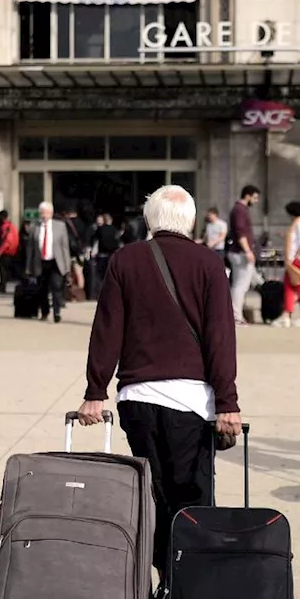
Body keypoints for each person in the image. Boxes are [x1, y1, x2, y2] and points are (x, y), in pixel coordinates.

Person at [76, 184, 242, 575]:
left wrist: (95, 391)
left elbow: (107, 330)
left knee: (152, 498)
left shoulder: (125, 260)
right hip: (191, 402)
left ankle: (154, 592)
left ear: (149, 219)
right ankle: (188, 596)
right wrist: (228, 401)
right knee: (193, 501)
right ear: (191, 220)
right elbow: (221, 336)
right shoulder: (207, 263)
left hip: (138, 399)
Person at [25, 201, 72, 323]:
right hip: (40, 262)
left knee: (56, 286)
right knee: (42, 288)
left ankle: (57, 312)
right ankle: (45, 312)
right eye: (41, 213)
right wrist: (28, 266)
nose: (43, 215)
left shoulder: (60, 226)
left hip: (56, 261)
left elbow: (65, 247)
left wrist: (67, 267)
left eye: (45, 213)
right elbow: (30, 248)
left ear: (51, 213)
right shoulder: (34, 227)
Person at [274, 200, 300, 328]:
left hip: (295, 261)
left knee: (295, 288)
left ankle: (294, 315)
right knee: (292, 288)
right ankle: (290, 314)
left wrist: (294, 257)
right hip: (296, 261)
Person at [226, 185, 261, 325]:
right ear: (247, 195)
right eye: (255, 197)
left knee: (241, 284)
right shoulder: (240, 210)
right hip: (240, 253)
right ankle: (236, 316)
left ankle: (236, 314)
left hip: (238, 252)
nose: (256, 201)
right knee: (240, 286)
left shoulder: (239, 210)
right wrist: (247, 251)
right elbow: (240, 232)